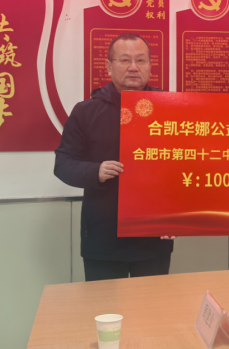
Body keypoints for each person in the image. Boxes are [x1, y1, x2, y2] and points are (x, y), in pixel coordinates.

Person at [54, 33, 174, 281]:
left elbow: (186, 167)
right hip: (103, 237)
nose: (133, 67)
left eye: (141, 60)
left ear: (150, 65)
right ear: (109, 66)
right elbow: (63, 164)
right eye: (125, 60)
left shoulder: (169, 108)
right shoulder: (86, 112)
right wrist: (94, 171)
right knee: (104, 304)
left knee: (153, 305)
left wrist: (176, 217)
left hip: (153, 236)